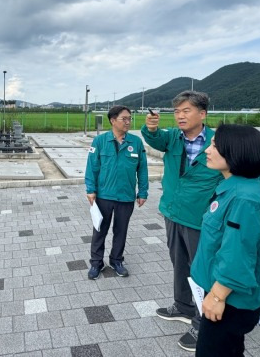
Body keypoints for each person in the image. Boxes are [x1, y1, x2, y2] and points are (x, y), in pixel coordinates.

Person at [141, 91, 223, 352]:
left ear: (203, 113)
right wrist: (149, 127)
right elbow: (153, 137)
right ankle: (183, 305)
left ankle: (203, 322)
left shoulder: (218, 142)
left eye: (186, 110)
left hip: (201, 219)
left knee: (202, 270)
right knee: (179, 262)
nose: (180, 116)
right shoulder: (172, 137)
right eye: (176, 112)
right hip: (173, 212)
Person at [191, 124, 260, 356]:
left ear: (236, 151)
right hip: (226, 296)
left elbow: (238, 254)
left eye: (215, 145)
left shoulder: (244, 198)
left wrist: (216, 296)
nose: (207, 149)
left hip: (229, 302)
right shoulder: (238, 186)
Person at [85, 105, 148, 280]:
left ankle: (116, 260)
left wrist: (143, 191)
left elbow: (142, 169)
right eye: (124, 118)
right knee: (100, 230)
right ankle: (96, 263)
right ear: (113, 121)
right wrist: (90, 189)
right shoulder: (100, 141)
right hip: (104, 195)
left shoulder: (136, 142)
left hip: (126, 196)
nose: (128, 122)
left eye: (130, 118)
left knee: (121, 231)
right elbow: (92, 167)